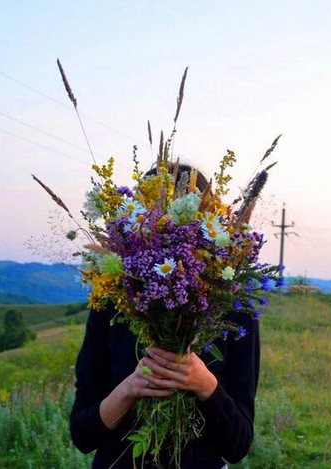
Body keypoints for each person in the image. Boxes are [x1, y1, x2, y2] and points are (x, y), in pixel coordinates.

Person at [69, 165, 260, 468]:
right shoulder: (112, 302)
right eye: (151, 221)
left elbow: (238, 446)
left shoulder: (234, 311)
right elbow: (82, 435)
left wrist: (204, 384)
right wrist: (130, 388)